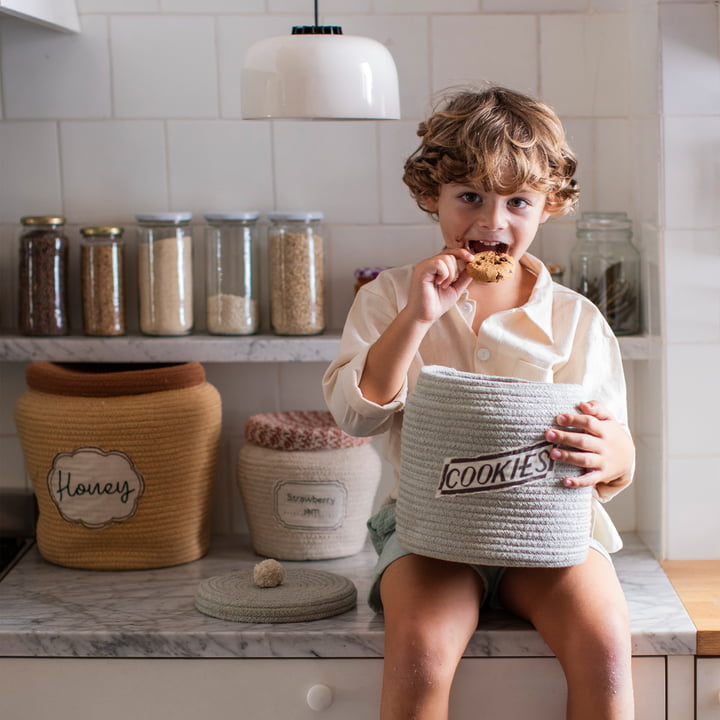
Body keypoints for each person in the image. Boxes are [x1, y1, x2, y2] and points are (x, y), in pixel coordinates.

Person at [322, 85, 636, 720]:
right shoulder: (389, 299)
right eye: (469, 197)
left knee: (604, 648)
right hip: (431, 537)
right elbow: (357, 415)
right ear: (430, 196)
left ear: (548, 206)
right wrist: (417, 318)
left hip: (551, 539)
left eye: (518, 202)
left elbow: (613, 449)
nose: (493, 224)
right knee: (419, 654)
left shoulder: (577, 319)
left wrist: (615, 455)